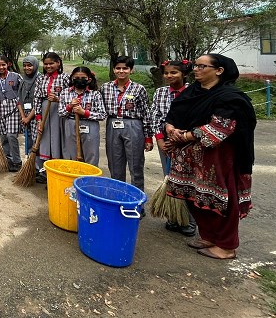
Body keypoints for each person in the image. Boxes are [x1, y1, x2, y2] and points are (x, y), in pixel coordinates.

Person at [164, 54, 256, 260]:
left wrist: (184, 136)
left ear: (219, 70)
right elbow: (173, 114)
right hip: (189, 157)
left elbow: (220, 128)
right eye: (195, 66)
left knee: (222, 198)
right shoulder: (191, 92)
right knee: (194, 195)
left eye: (201, 66)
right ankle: (208, 236)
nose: (196, 69)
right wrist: (170, 128)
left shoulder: (230, 97)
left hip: (218, 157)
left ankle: (226, 246)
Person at [150, 59, 195, 236]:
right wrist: (160, 140)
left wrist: (181, 138)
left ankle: (189, 221)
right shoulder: (160, 92)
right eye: (166, 73)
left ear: (184, 74)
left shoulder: (193, 92)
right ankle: (174, 217)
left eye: (174, 73)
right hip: (166, 144)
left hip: (187, 143)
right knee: (169, 178)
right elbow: (155, 116)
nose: (169, 76)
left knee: (187, 181)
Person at [100, 56, 154, 198]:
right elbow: (98, 108)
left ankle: (137, 201)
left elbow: (145, 113)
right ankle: (118, 199)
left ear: (131, 70)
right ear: (113, 69)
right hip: (113, 124)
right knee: (115, 164)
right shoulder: (105, 87)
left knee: (135, 165)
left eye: (125, 68)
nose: (121, 71)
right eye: (118, 68)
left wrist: (148, 137)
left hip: (133, 125)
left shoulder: (139, 89)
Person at [33, 52, 70, 183]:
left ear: (58, 63)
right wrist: (38, 118)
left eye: (51, 63)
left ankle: (57, 168)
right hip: (45, 111)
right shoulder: (41, 78)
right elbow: (37, 98)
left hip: (59, 111)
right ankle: (44, 169)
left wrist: (58, 99)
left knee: (57, 138)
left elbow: (71, 97)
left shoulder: (64, 77)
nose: (48, 66)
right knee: (44, 138)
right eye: (46, 64)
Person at [58, 66, 106, 166]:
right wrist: (70, 106)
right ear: (72, 78)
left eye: (83, 78)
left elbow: (102, 115)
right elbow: (61, 113)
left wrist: (84, 112)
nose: (79, 80)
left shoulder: (95, 94)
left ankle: (89, 178)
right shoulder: (65, 93)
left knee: (91, 153)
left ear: (89, 79)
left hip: (90, 125)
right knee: (71, 154)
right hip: (70, 124)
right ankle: (73, 178)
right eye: (76, 77)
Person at [0, 55, 24, 172]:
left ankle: (17, 160)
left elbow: (23, 91)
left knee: (11, 135)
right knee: (3, 136)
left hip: (14, 108)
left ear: (8, 64)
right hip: (0, 109)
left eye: (3, 65)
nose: (1, 67)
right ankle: (8, 159)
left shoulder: (16, 76)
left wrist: (22, 105)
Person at [19, 56, 40, 155]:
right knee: (28, 139)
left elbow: (38, 102)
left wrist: (29, 118)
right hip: (25, 115)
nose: (27, 68)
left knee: (37, 140)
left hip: (37, 115)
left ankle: (37, 164)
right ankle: (29, 162)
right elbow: (19, 98)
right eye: (24, 66)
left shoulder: (40, 79)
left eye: (29, 66)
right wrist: (23, 116)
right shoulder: (23, 80)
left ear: (35, 66)